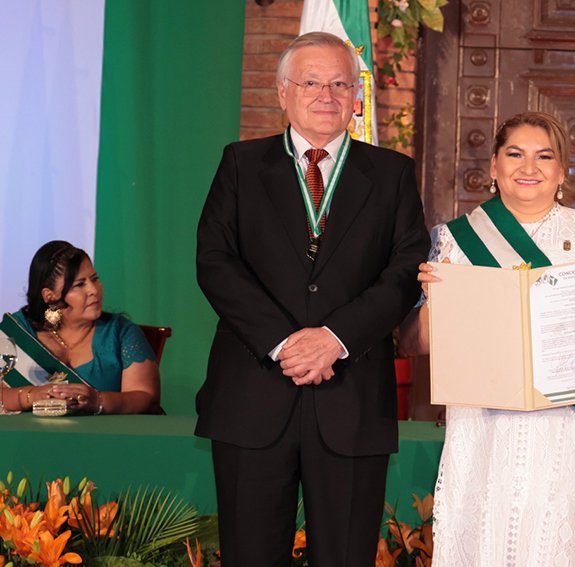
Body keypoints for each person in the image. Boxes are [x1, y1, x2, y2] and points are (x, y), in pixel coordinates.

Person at [194, 32, 430, 566]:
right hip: (253, 394)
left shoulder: (392, 174)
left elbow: (404, 272)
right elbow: (215, 262)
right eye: (311, 82)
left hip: (351, 399)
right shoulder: (240, 163)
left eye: (340, 83)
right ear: (283, 92)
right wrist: (284, 343)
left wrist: (334, 339)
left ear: (357, 98)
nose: (326, 94)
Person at [401, 111, 575, 565]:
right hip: (482, 424)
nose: (529, 167)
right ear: (494, 166)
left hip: (563, 424)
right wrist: (435, 302)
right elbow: (412, 344)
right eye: (514, 154)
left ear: (561, 172)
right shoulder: (454, 241)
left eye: (544, 156)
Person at [0, 240, 160, 414]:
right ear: (50, 296)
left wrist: (98, 401)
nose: (94, 290)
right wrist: (30, 396)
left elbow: (147, 398)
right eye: (79, 284)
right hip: (29, 438)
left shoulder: (121, 333)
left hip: (103, 438)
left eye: (95, 279)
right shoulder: (18, 332)